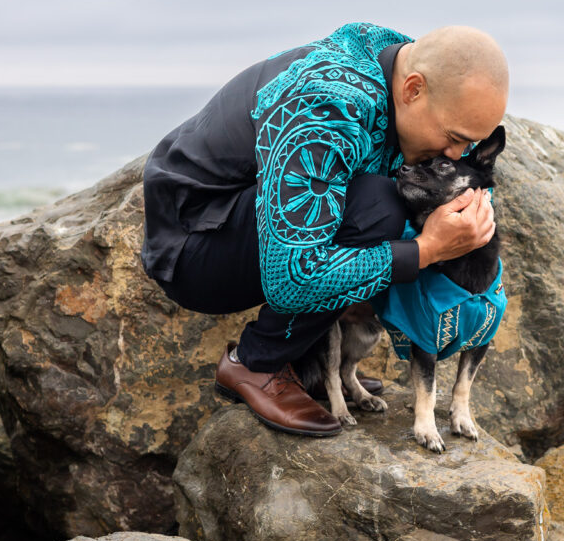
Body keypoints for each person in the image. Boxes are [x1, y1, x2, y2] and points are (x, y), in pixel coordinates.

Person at [140, 22, 507, 437]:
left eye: (468, 148)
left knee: (383, 201)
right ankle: (258, 362)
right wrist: (427, 249)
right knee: (380, 206)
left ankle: (309, 365)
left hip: (246, 219)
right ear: (414, 90)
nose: (456, 155)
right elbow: (294, 277)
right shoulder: (327, 107)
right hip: (194, 245)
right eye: (455, 138)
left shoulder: (396, 66)